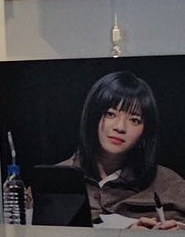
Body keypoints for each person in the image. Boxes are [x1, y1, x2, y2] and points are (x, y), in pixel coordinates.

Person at [54, 70, 185, 228]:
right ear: (92, 117)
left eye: (134, 120)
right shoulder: (56, 179)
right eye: (110, 114)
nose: (120, 127)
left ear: (145, 132)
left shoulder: (170, 184)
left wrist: (176, 234)